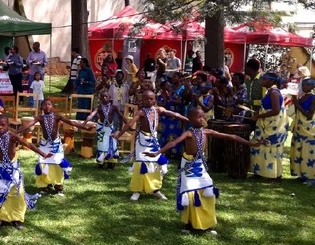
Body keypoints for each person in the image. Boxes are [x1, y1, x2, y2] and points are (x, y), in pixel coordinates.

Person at [147, 107, 262, 235]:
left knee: (208, 192)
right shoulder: (189, 133)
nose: (202, 119)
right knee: (191, 195)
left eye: (203, 117)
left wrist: (251, 144)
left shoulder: (206, 132)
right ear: (190, 119)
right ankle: (190, 224)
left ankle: (206, 224)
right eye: (198, 117)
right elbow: (173, 143)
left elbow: (232, 136)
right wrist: (157, 152)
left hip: (200, 166)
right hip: (189, 166)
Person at [0, 114, 50, 230]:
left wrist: (43, 154)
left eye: (3, 125)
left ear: (8, 126)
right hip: (1, 170)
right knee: (1, 193)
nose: (0, 127)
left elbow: (29, 144)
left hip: (13, 169)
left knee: (17, 193)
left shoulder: (13, 137)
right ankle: (0, 218)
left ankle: (17, 218)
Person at [113, 90, 188, 201]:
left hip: (153, 141)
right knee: (141, 165)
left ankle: (155, 189)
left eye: (151, 99)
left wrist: (185, 118)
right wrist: (119, 135)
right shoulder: (141, 112)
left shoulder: (158, 110)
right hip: (142, 141)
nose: (148, 101)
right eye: (146, 99)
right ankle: (136, 190)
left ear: (155, 100)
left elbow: (173, 114)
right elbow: (130, 123)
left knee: (155, 164)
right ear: (142, 100)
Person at [17, 99, 81, 195]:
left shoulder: (57, 116)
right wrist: (15, 132)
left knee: (57, 163)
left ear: (52, 106)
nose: (47, 106)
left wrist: (84, 126)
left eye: (49, 104)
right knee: (43, 163)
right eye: (44, 105)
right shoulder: (40, 118)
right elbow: (28, 125)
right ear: (41, 108)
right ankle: (44, 186)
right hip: (45, 145)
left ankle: (58, 186)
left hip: (56, 145)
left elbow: (71, 122)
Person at [250, 72, 289, 180]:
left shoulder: (274, 93)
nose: (262, 81)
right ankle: (261, 172)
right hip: (265, 123)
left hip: (272, 125)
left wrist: (259, 116)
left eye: (264, 79)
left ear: (272, 81)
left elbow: (276, 111)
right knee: (260, 146)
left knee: (269, 147)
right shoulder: (270, 91)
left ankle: (272, 174)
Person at [83, 90, 125, 168]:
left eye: (106, 96)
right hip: (101, 128)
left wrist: (127, 124)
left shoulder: (114, 107)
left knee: (112, 145)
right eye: (102, 97)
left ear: (110, 98)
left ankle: (111, 162)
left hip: (110, 129)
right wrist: (84, 123)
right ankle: (101, 162)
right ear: (100, 99)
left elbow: (121, 116)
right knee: (101, 145)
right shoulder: (99, 107)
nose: (104, 98)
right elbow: (91, 115)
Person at [290, 77, 315, 184]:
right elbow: (297, 111)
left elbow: (309, 115)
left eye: (307, 85)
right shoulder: (302, 97)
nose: (304, 87)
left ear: (313, 86)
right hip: (300, 127)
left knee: (308, 152)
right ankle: (301, 173)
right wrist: (295, 102)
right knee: (299, 150)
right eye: (303, 85)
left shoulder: (313, 98)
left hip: (308, 129)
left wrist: (296, 103)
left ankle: (310, 176)